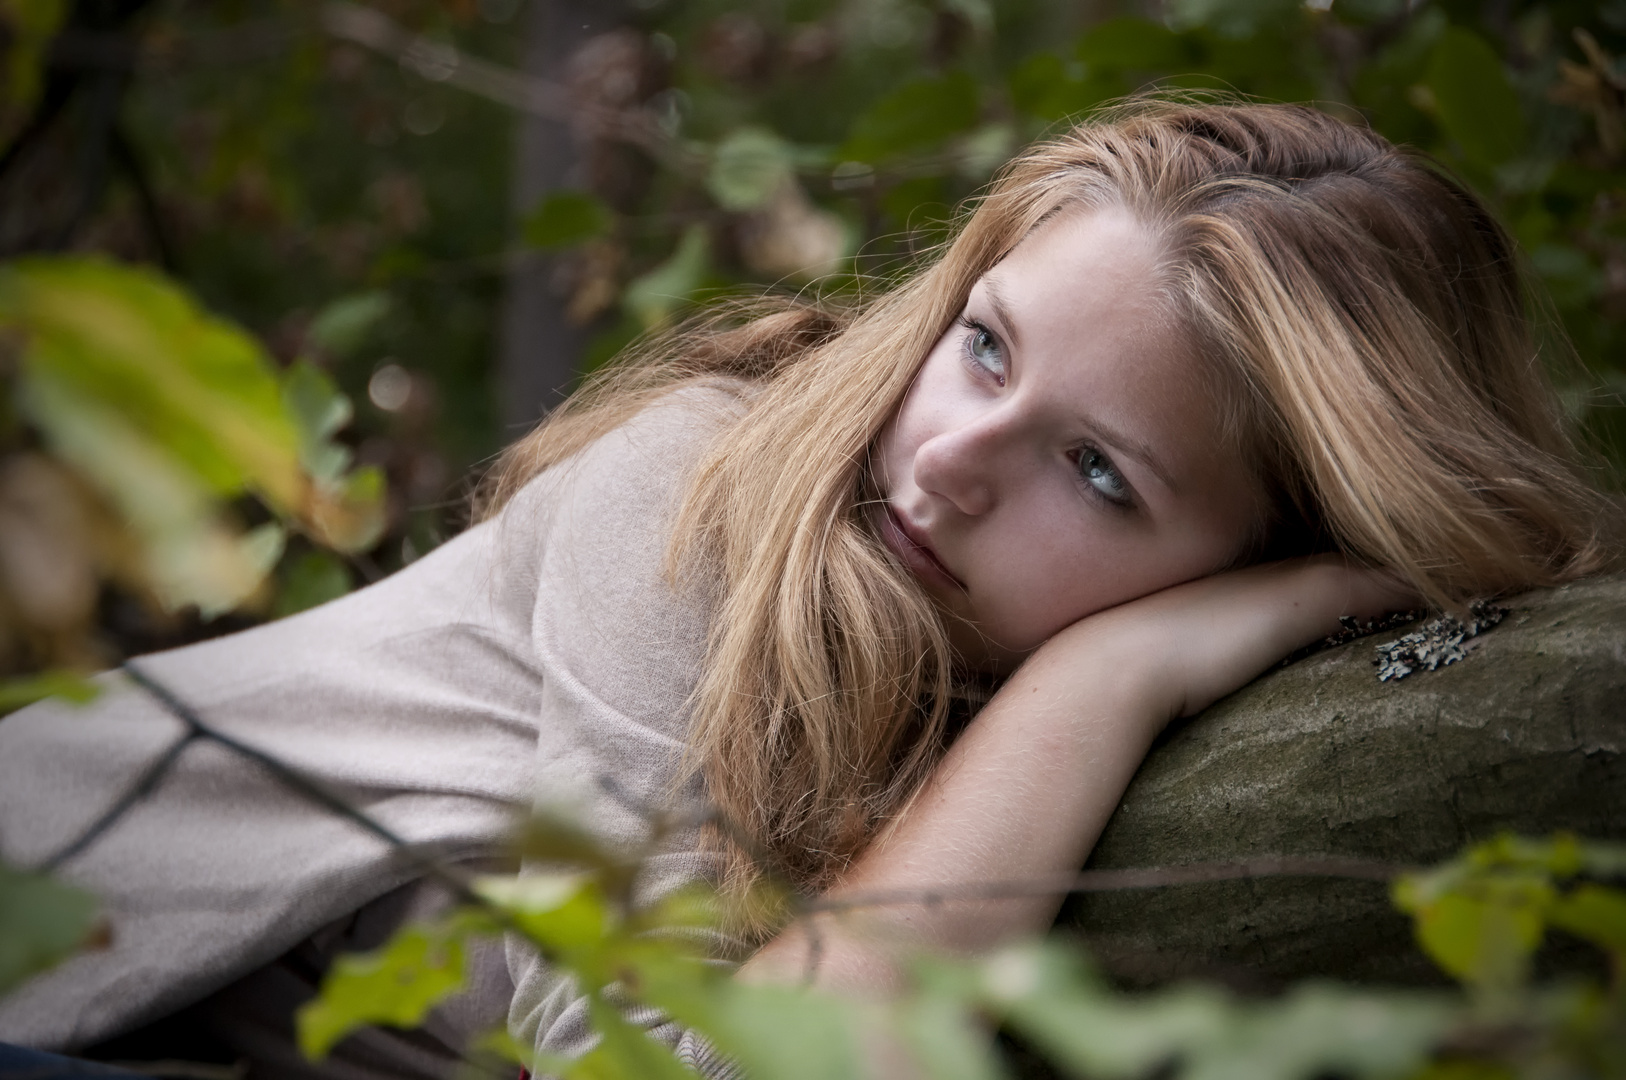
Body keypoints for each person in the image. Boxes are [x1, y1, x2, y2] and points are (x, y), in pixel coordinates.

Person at [0, 98, 1619, 1078]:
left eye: (1097, 472)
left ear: (1267, 548)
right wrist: (1105, 676)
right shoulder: (706, 488)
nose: (947, 460)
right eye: (981, 344)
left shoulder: (952, 670)